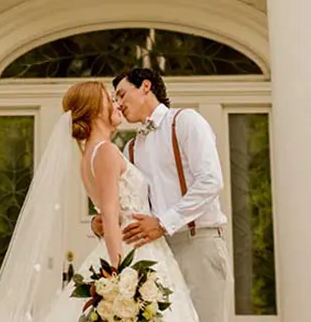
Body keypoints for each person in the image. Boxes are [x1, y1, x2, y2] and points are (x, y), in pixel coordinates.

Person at [0, 80, 200, 322]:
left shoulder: (90, 154)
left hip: (141, 246)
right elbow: (110, 214)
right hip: (132, 251)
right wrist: (120, 279)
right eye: (110, 99)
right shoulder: (104, 151)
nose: (117, 105)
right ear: (96, 109)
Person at [99, 67, 231, 322]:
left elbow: (211, 181)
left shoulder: (186, 121)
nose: (118, 103)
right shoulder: (131, 147)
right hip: (157, 252)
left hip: (198, 242)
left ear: (146, 87)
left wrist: (162, 223)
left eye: (122, 94)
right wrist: (105, 218)